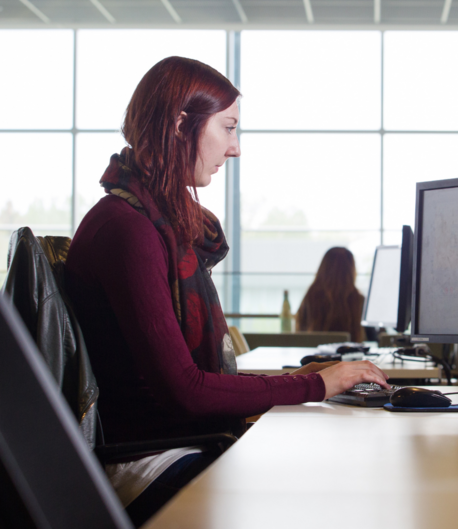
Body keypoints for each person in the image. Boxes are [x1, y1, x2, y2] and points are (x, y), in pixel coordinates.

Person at [64, 56, 388, 525]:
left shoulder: (152, 222)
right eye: (228, 127)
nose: (234, 148)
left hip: (173, 443)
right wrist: (317, 384)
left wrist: (311, 379)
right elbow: (187, 392)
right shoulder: (127, 229)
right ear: (180, 125)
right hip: (145, 463)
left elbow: (188, 379)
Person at [296, 247, 366, 342]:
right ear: (351, 270)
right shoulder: (358, 299)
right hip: (352, 355)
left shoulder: (311, 296)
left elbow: (299, 333)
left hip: (313, 355)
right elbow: (374, 338)